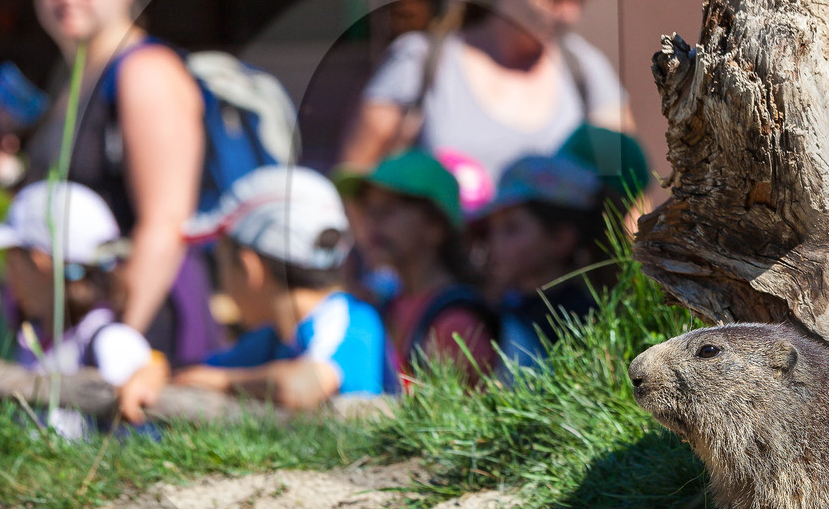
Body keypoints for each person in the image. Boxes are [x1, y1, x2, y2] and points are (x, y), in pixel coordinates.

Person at [21, 0, 218, 366]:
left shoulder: (146, 73)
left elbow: (165, 225)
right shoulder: (75, 78)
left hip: (148, 321)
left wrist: (118, 344)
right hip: (88, 324)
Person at [341, 0, 634, 188]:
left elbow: (627, 189)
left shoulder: (586, 70)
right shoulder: (419, 62)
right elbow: (355, 176)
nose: (569, 14)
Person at [118, 167, 390, 417]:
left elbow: (305, 385)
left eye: (221, 262)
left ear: (250, 268)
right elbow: (195, 371)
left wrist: (222, 382)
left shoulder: (351, 320)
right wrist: (158, 369)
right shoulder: (273, 339)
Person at [0, 180, 153, 441]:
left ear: (41, 260)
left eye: (10, 257)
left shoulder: (110, 343)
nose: (6, 272)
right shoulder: (37, 339)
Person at [335, 149, 497, 383]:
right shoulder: (386, 302)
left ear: (436, 227)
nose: (373, 223)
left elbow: (446, 417)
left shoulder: (456, 325)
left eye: (388, 211)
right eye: (369, 210)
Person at [473, 155, 606, 368]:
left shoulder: (581, 320)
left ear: (561, 239)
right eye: (491, 230)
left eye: (511, 229)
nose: (494, 243)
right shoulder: (501, 307)